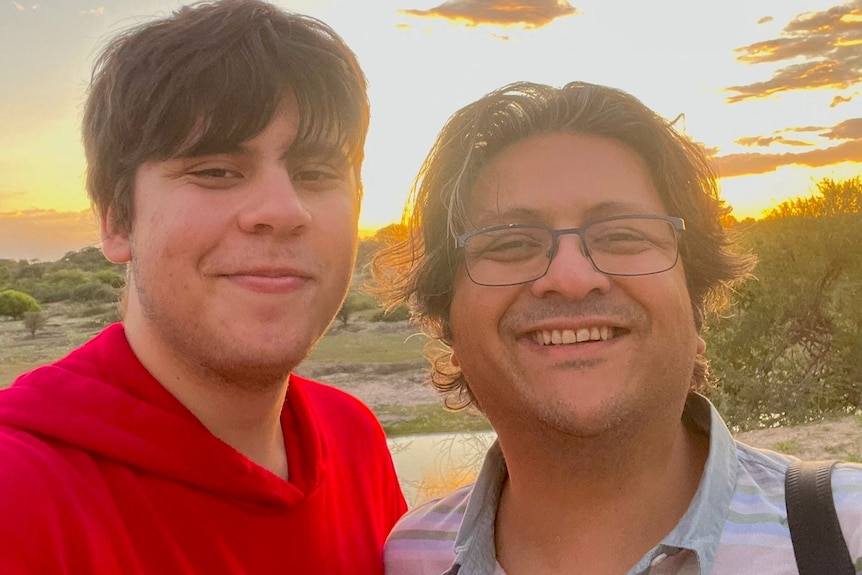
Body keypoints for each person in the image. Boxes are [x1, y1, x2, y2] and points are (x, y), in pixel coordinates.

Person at [373, 81, 862, 574]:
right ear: (448, 330)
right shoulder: (413, 556)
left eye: (623, 235)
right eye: (509, 243)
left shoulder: (848, 531)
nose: (570, 277)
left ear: (696, 310)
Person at [0, 1, 406, 573]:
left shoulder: (354, 440)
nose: (282, 210)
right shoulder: (18, 490)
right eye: (216, 171)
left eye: (315, 174)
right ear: (118, 219)